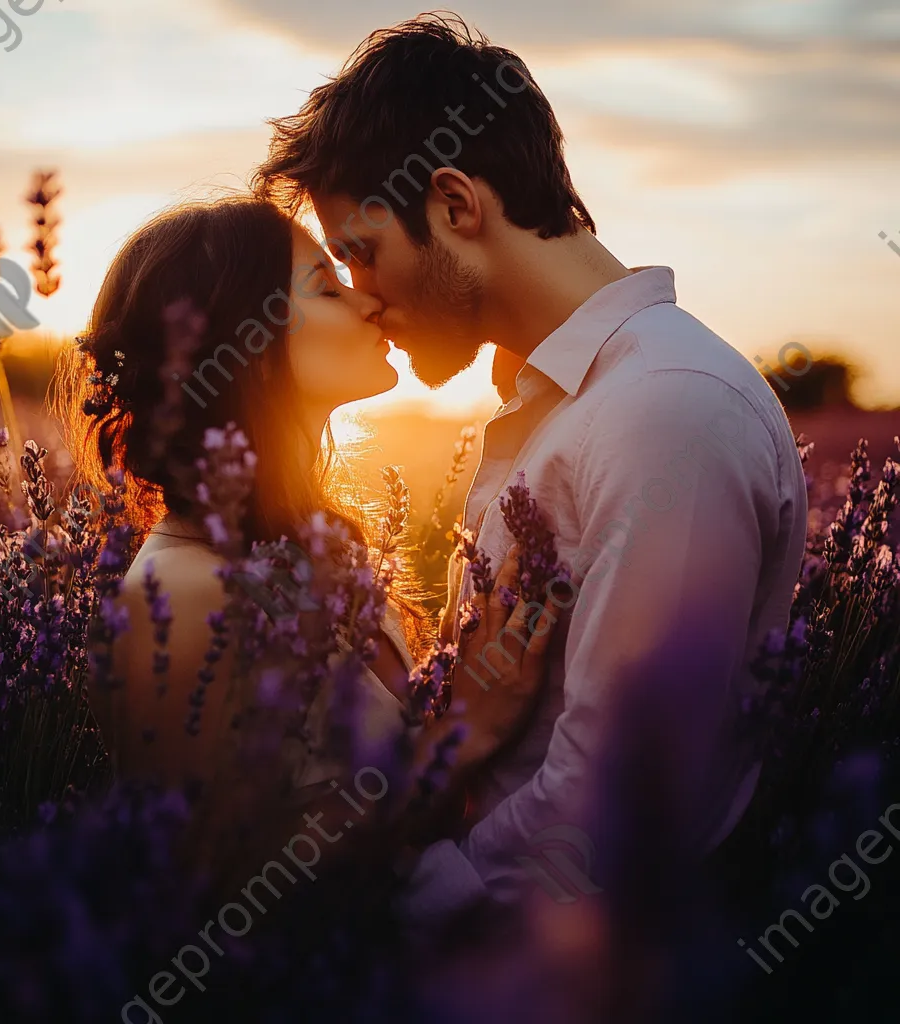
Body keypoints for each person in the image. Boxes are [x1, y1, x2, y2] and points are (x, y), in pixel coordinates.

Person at [253, 13, 809, 919]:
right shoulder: (566, 402)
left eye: (362, 250)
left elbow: (625, 789)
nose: (362, 295)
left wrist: (399, 917)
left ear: (455, 205)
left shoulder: (664, 407)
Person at [54, 197, 553, 854]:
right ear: (248, 344)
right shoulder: (183, 593)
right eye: (326, 286)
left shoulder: (295, 553)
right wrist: (462, 737)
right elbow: (220, 889)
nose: (367, 300)